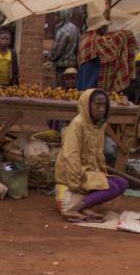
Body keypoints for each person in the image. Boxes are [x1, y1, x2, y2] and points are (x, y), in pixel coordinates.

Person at [54, 89, 128, 221]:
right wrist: (75, 182)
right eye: (97, 105)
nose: (101, 109)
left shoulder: (99, 125)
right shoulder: (77, 124)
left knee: (122, 183)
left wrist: (102, 174)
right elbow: (71, 156)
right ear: (87, 105)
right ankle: (73, 210)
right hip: (72, 171)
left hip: (88, 170)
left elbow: (99, 154)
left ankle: (87, 208)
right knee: (111, 187)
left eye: (104, 105)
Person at [77, 12, 137, 93]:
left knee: (86, 96)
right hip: (94, 80)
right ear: (99, 27)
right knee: (93, 97)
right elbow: (116, 43)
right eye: (104, 26)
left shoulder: (84, 39)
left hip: (84, 79)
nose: (106, 28)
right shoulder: (98, 40)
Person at [45, 10, 79, 87]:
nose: (54, 18)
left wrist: (50, 56)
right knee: (72, 90)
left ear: (62, 16)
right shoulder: (75, 28)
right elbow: (78, 47)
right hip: (74, 66)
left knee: (61, 90)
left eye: (56, 15)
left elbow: (57, 51)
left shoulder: (62, 31)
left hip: (62, 67)